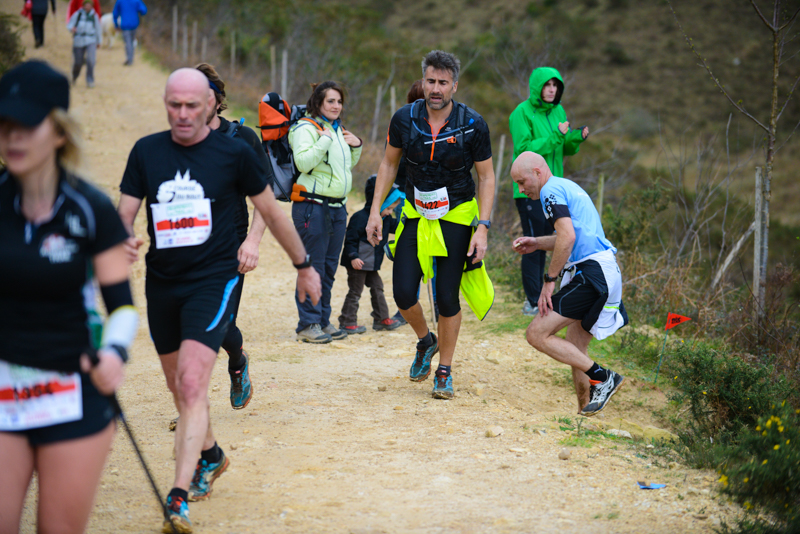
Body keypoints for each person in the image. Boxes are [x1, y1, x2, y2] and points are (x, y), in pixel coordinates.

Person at [117, 68, 321, 533]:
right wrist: (119, 239)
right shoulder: (146, 151)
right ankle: (210, 454)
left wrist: (303, 265)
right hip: (162, 282)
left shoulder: (236, 149)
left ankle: (178, 496)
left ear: (211, 104)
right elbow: (124, 214)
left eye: (192, 105)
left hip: (215, 276)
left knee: (192, 383)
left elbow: (271, 209)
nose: (182, 113)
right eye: (174, 105)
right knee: (179, 386)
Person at [0, 60, 136, 534]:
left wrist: (114, 352)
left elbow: (122, 306)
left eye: (26, 124)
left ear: (59, 132)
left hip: (72, 394)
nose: (13, 137)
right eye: (4, 124)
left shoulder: (90, 209)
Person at [366, 50, 496, 400]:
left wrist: (482, 227)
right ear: (423, 82)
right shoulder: (404, 118)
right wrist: (375, 211)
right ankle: (426, 340)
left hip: (456, 215)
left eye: (443, 82)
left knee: (447, 297)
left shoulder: (473, 124)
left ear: (455, 85)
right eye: (430, 81)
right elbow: (389, 165)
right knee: (403, 293)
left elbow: (486, 177)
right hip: (416, 213)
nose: (436, 89)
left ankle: (444, 370)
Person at [511, 152, 625, 417]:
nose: (521, 189)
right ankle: (584, 413)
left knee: (536, 333)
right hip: (601, 270)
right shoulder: (563, 185)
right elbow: (572, 235)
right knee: (576, 348)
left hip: (592, 272)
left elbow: (568, 237)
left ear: (537, 172)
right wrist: (537, 243)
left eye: (522, 182)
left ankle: (604, 377)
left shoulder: (549, 192)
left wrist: (549, 281)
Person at [195, 62, 271, 410]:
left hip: (231, 242)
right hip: (190, 243)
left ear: (218, 99)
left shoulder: (243, 139)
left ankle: (237, 362)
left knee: (221, 323)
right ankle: (192, 405)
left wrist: (252, 241)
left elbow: (264, 196)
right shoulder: (177, 141)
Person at [509, 67, 589, 317]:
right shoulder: (521, 113)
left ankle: (544, 298)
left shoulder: (558, 111)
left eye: (556, 85)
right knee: (533, 243)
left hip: (553, 190)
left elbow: (563, 148)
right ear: (537, 87)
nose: (552, 89)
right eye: (547, 85)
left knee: (546, 243)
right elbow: (524, 150)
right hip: (529, 191)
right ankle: (532, 301)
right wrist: (556, 136)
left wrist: (575, 138)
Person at [289, 81, 363, 344]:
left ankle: (322, 320)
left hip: (336, 208)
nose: (336, 106)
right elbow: (303, 162)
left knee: (329, 268)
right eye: (331, 101)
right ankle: (307, 324)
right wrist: (324, 140)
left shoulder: (337, 129)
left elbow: (345, 168)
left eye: (339, 101)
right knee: (313, 267)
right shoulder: (305, 128)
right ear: (318, 102)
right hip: (311, 206)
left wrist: (356, 146)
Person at [338, 176, 403, 334]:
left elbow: (399, 227)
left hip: (371, 265)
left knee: (377, 287)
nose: (390, 213)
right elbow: (350, 241)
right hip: (358, 264)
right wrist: (353, 257)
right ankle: (347, 321)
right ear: (380, 203)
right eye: (389, 208)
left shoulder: (386, 219)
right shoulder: (359, 218)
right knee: (355, 291)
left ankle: (381, 318)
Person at [67, 0, 102, 88]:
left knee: (91, 60)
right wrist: (72, 28)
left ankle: (90, 80)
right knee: (78, 62)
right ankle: (74, 76)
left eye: (89, 5)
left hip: (91, 40)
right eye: (86, 5)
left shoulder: (94, 16)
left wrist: (99, 41)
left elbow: (98, 29)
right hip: (79, 40)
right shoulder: (78, 14)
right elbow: (70, 24)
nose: (87, 7)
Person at [112, 0, 146, 66]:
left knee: (128, 43)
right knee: (131, 42)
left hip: (125, 25)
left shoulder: (120, 1)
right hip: (134, 24)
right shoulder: (136, 1)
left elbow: (115, 13)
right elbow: (144, 10)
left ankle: (129, 59)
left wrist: (116, 24)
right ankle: (130, 58)